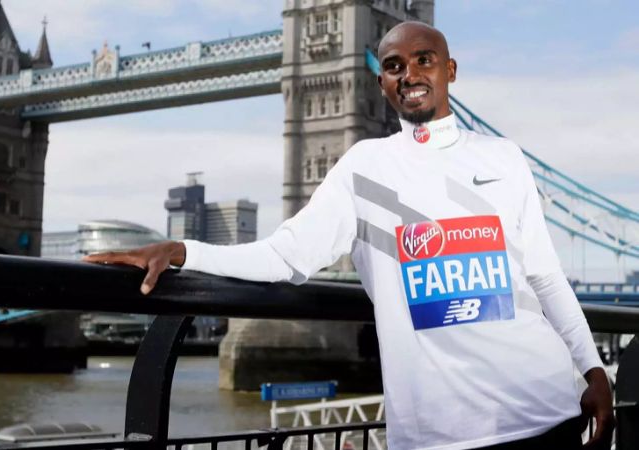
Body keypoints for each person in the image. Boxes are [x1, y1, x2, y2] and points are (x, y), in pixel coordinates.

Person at [83, 21, 614, 450]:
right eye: (393, 66)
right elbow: (285, 256)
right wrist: (183, 250)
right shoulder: (364, 169)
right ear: (380, 82)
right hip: (437, 437)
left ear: (450, 70)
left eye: (424, 59)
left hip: (544, 416)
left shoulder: (504, 157)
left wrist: (592, 369)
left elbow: (545, 278)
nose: (409, 73)